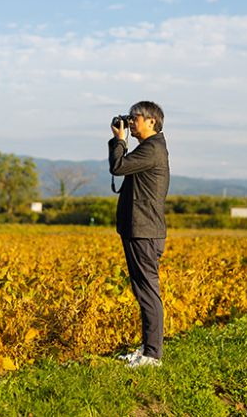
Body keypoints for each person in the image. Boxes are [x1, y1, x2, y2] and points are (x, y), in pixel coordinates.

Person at [108, 101, 169, 368]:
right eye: (129, 118)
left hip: (144, 231)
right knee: (143, 290)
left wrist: (119, 140)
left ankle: (152, 355)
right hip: (141, 229)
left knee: (147, 291)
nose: (131, 122)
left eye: (135, 118)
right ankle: (148, 349)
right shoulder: (150, 148)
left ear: (152, 122)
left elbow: (118, 167)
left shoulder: (152, 149)